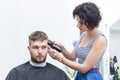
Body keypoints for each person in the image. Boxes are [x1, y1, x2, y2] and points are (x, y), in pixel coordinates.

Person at [48, 2, 107, 80]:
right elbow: (72, 57)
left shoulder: (100, 40)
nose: (77, 25)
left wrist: (60, 59)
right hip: (80, 75)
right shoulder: (84, 35)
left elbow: (84, 68)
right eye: (77, 21)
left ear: (90, 21)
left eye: (81, 23)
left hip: (91, 77)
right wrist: (61, 48)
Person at [5, 31, 70, 80]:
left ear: (48, 48)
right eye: (35, 47)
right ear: (29, 49)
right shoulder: (16, 73)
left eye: (43, 47)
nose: (40, 51)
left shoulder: (59, 74)